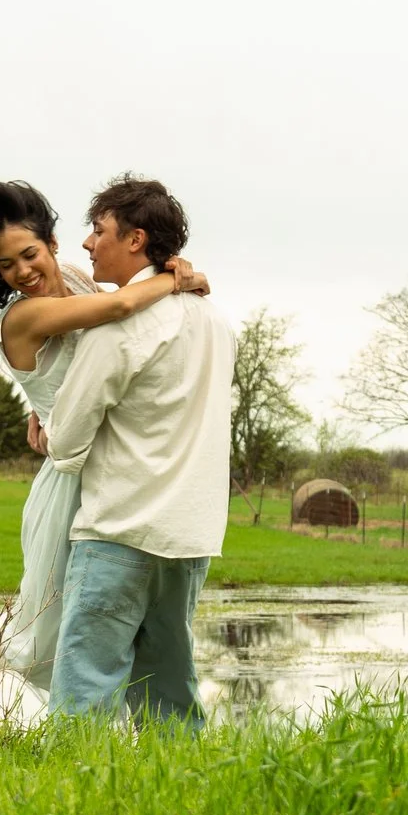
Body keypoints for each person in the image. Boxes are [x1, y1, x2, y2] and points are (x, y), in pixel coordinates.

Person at [0, 177, 206, 689]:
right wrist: (180, 279)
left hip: (112, 470)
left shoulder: (76, 280)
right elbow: (121, 309)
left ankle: (133, 744)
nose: (23, 271)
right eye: (6, 266)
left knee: (102, 634)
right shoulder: (22, 316)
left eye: (29, 254)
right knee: (52, 649)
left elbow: (106, 347)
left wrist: (40, 405)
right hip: (70, 482)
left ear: (53, 245)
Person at [41, 175, 234, 728]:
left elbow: (69, 439)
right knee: (171, 688)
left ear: (135, 239)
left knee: (87, 689)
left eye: (97, 230)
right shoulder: (217, 321)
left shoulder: (115, 331)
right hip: (191, 536)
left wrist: (47, 427)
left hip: (120, 531)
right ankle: (177, 796)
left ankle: (80, 801)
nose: (86, 244)